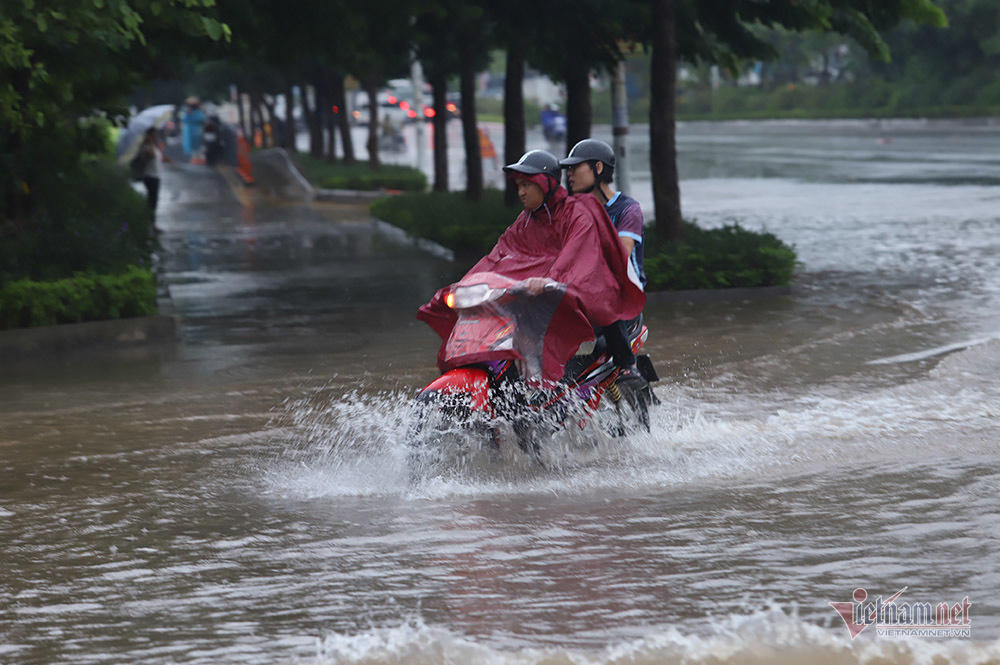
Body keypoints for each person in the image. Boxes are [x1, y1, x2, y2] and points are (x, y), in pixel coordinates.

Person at [418, 149, 644, 383]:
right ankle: (522, 386)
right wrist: (467, 284)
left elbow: (575, 252)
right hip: (539, 295)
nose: (521, 192)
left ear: (545, 183)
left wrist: (550, 279)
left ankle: (627, 366)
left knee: (605, 299)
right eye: (519, 185)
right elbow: (498, 256)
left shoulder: (577, 212)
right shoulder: (525, 220)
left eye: (527, 184)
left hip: (574, 289)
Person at [561, 138, 647, 384]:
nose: (570, 175)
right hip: (581, 297)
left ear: (598, 169)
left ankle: (628, 367)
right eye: (568, 170)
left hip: (622, 300)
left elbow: (621, 254)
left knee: (604, 296)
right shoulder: (572, 211)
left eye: (576, 168)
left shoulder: (628, 210)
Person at [134, 128, 170, 223]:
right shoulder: (146, 147)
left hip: (156, 175)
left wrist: (166, 159)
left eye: (156, 135)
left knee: (153, 200)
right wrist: (149, 150)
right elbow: (148, 157)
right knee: (152, 201)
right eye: (154, 135)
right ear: (148, 136)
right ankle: (150, 223)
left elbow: (157, 159)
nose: (156, 136)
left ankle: (151, 222)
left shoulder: (153, 146)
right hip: (150, 176)